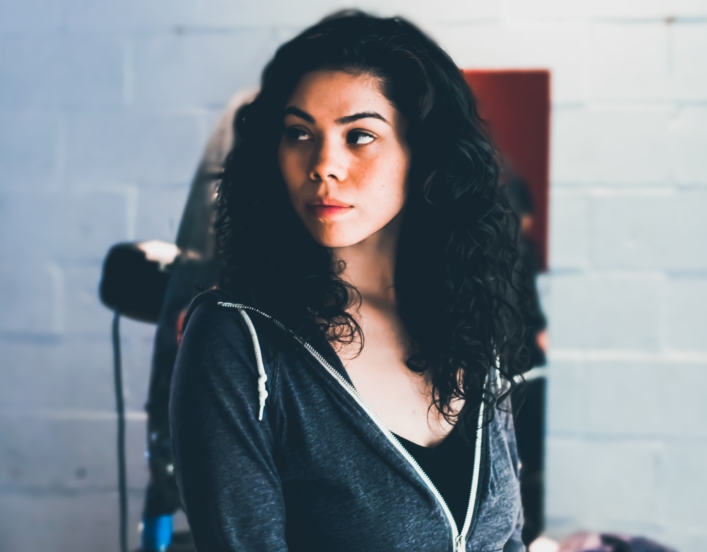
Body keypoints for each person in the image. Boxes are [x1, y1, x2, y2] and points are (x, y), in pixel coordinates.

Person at [170, 11, 527, 552]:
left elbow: (509, 540)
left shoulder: (469, 325)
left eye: (359, 136)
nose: (323, 165)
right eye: (299, 134)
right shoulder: (239, 343)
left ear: (422, 154)